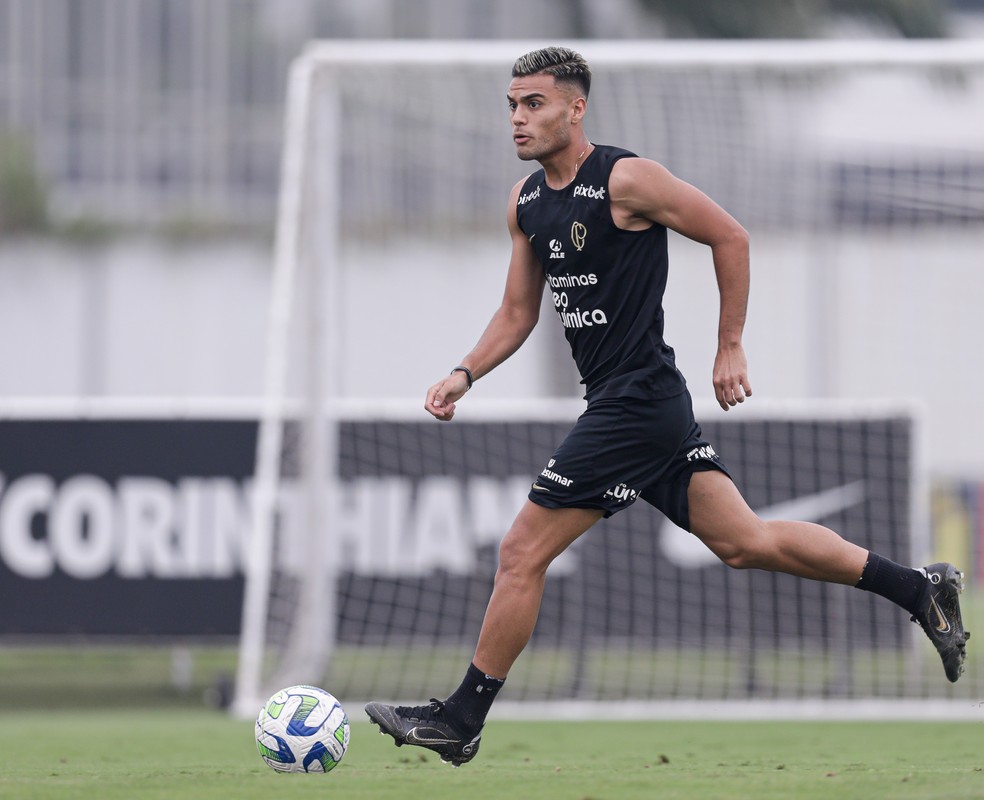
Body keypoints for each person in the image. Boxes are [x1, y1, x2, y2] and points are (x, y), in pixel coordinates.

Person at [365, 46, 969, 766]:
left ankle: (462, 718)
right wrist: (466, 372)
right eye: (511, 105)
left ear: (575, 107)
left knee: (520, 552)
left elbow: (729, 235)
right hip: (640, 404)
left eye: (534, 104)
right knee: (746, 542)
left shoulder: (626, 179)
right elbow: (517, 312)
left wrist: (731, 345)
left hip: (635, 403)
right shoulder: (527, 202)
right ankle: (920, 588)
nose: (519, 118)